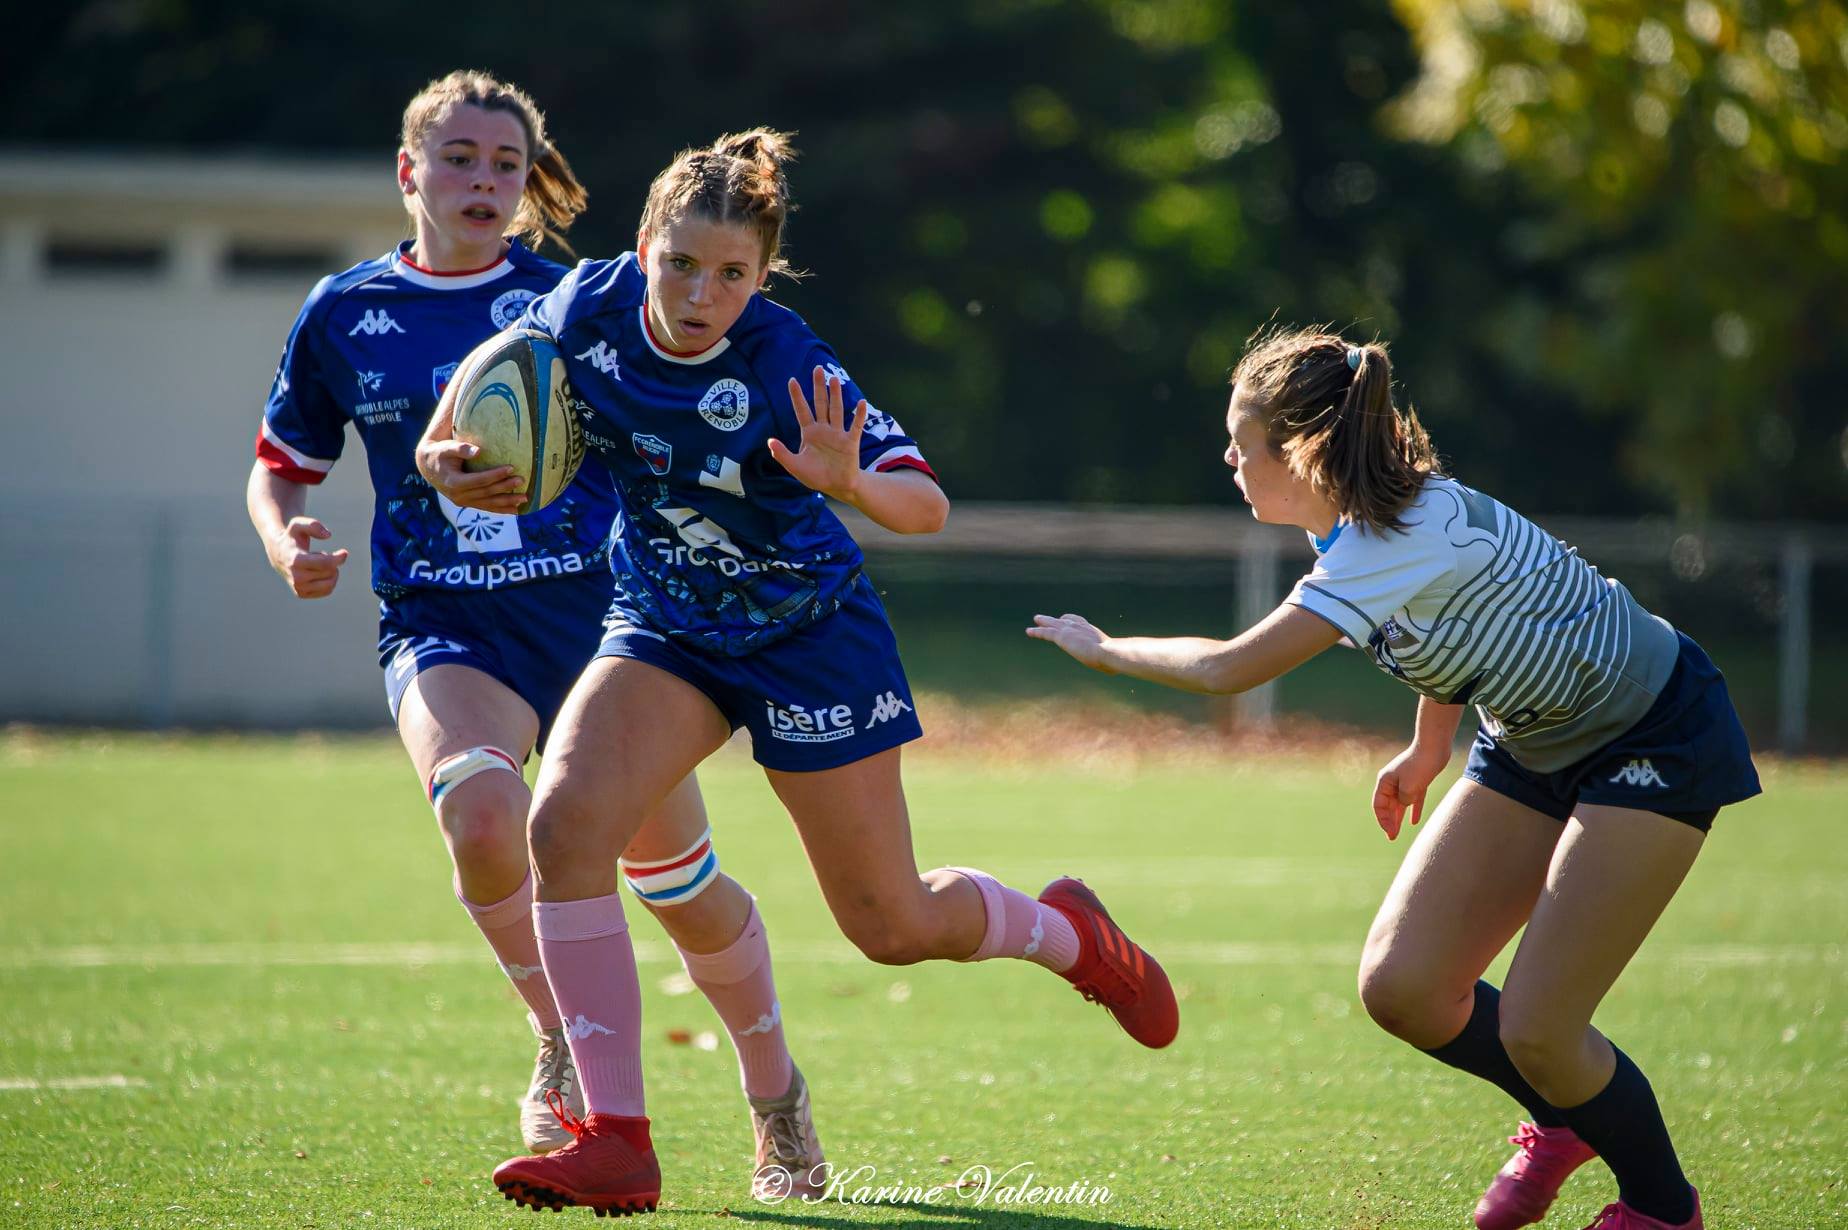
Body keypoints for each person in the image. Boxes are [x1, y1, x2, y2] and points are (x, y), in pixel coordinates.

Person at [418, 129, 1179, 1216]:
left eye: (731, 274)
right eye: (680, 263)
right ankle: (616, 1138)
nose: (700, 293)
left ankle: (1071, 935)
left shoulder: (786, 362)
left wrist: (849, 479)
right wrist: (446, 461)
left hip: (811, 640)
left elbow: (927, 507)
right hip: (668, 630)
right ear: (642, 248)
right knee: (564, 827)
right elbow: (448, 431)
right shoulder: (579, 309)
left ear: (762, 278)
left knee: (892, 925)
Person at [1028, 326, 1759, 1230]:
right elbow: (1449, 625)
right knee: (1405, 988)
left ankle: (1661, 1209)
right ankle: (1564, 1118)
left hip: (1655, 733)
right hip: (1532, 739)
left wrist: (1102, 651)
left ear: (1301, 450)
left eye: (1240, 440)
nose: (1226, 455)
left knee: (1540, 1029)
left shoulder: (1381, 543)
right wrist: (1428, 744)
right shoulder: (1362, 521)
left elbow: (1228, 669)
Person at [246, 72, 828, 1194]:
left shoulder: (575, 300)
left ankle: (776, 1094)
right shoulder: (344, 311)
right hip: (444, 623)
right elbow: (279, 469)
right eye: (459, 159)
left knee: (683, 891)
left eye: (506, 164)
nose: (484, 181)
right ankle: (562, 1034)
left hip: (605, 627)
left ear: (528, 182)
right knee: (478, 806)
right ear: (409, 172)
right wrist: (289, 540)